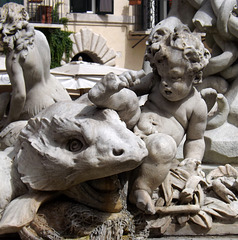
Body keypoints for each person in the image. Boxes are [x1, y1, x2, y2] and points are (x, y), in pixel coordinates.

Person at [88, 26, 211, 214]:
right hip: (130, 130)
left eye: (174, 77)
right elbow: (134, 89)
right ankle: (105, 94)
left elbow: (195, 139)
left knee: (164, 146)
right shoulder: (154, 81)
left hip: (155, 149)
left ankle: (141, 190)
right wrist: (125, 82)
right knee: (128, 98)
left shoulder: (197, 105)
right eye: (161, 75)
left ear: (193, 75)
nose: (164, 82)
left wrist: (192, 160)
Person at [0, 3, 71, 129]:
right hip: (55, 95)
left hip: (34, 106)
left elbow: (19, 95)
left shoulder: (14, 56)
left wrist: (9, 121)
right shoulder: (40, 36)